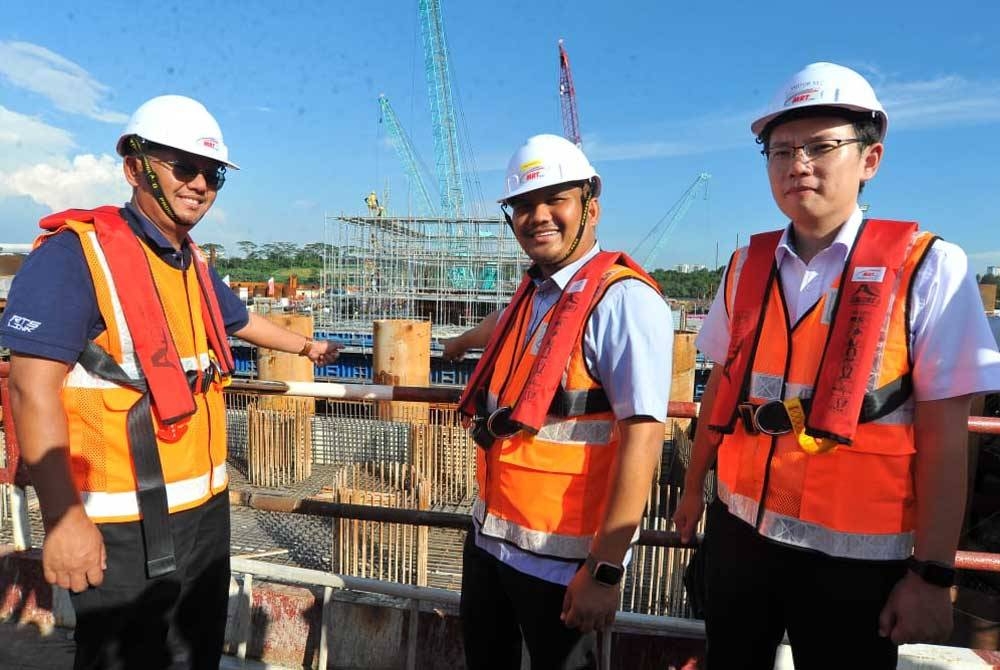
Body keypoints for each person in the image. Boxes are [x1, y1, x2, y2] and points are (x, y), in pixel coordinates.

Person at [672, 62, 1000, 669]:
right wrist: (694, 495)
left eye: (822, 147)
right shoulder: (747, 267)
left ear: (869, 159)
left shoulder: (928, 269)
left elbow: (948, 439)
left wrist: (932, 574)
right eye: (781, 150)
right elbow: (720, 388)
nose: (798, 164)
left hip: (857, 562)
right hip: (742, 535)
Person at [1, 94, 341, 669]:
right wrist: (61, 519)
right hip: (121, 523)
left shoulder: (189, 262)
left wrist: (308, 346)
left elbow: (241, 319)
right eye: (183, 167)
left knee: (194, 650)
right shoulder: (76, 256)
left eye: (212, 175)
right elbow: (29, 388)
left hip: (203, 510)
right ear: (134, 167)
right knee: (124, 656)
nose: (201, 184)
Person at [456, 134, 673, 668]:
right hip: (492, 541)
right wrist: (457, 344)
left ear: (590, 207)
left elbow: (644, 436)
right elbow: (505, 326)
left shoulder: (623, 302)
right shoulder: (534, 291)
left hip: (563, 563)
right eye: (524, 206)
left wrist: (605, 569)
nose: (538, 216)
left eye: (556, 200)